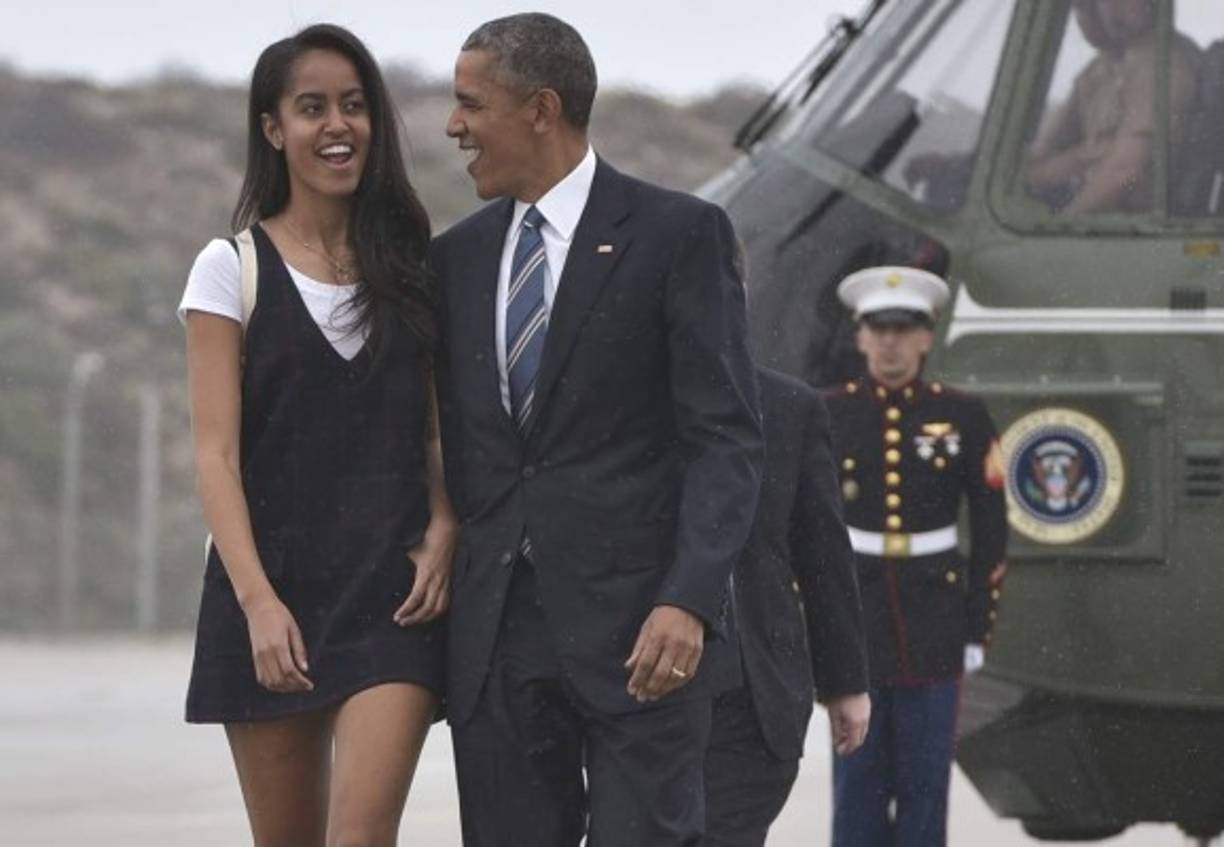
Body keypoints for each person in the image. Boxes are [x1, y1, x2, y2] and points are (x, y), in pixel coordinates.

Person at [432, 13, 763, 847]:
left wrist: (689, 599)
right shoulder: (454, 260)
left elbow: (725, 439)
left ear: (541, 109)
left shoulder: (678, 235)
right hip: (499, 642)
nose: (453, 125)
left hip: (643, 637)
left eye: (471, 103)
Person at [180, 24, 454, 847]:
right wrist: (259, 604)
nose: (338, 125)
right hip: (271, 595)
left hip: (392, 597)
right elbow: (215, 457)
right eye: (312, 108)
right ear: (273, 128)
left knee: (361, 836)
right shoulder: (229, 268)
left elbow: (437, 433)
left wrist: (446, 524)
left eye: (354, 105)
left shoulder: (413, 267)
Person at [824, 266, 1008, 847]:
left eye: (903, 330)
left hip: (935, 621)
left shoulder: (964, 415)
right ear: (860, 336)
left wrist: (977, 624)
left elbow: (992, 525)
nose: (890, 343)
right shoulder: (829, 413)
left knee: (925, 787)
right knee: (856, 785)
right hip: (857, 621)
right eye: (878, 329)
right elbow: (807, 527)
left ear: (926, 337)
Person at [702, 366, 871, 847]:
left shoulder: (787, 405)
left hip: (753, 692)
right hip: (641, 695)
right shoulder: (616, 393)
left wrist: (845, 682)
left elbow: (822, 552)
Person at [1024, 0, 1200, 214]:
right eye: (1080, 7)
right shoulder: (1099, 70)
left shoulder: (1164, 64)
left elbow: (1125, 172)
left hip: (1132, 223)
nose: (1111, 6)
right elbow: (1034, 164)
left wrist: (1063, 223)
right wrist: (1081, 157)